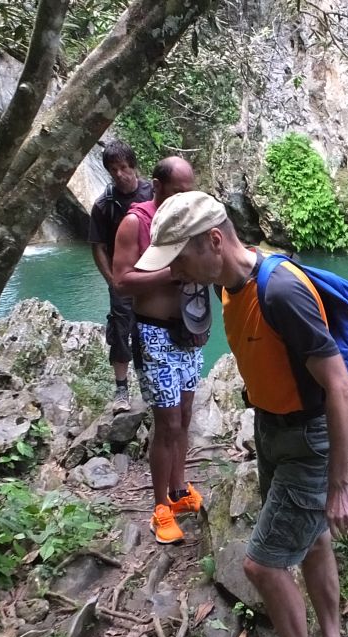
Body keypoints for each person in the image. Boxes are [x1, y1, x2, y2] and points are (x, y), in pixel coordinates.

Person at [135, 191, 348, 637]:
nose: (173, 272)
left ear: (214, 241)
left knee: (263, 565)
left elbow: (340, 386)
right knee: (313, 537)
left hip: (309, 440)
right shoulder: (226, 286)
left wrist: (341, 485)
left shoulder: (280, 291)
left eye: (179, 258)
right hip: (271, 429)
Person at [112, 157, 207, 545]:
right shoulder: (136, 222)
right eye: (178, 191)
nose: (185, 198)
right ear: (158, 185)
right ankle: (159, 508)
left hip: (188, 332)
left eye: (190, 191)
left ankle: (179, 490)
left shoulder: (190, 220)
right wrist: (171, 274)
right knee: (166, 423)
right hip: (153, 335)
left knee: (183, 416)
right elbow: (121, 281)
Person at [89, 140, 153, 413]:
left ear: (134, 166)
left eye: (123, 167)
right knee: (120, 330)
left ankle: (148, 385)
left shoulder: (154, 193)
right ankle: (121, 390)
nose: (119, 174)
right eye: (113, 169)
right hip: (123, 279)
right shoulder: (104, 205)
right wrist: (112, 281)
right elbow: (98, 247)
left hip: (152, 276)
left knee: (150, 331)